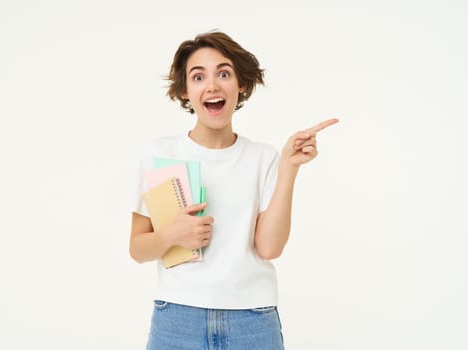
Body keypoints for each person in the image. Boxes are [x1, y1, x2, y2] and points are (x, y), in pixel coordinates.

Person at [130, 30, 338, 350]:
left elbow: (269, 248)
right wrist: (172, 235)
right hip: (177, 318)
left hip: (252, 320)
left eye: (223, 73)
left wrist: (289, 167)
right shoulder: (161, 154)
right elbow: (137, 248)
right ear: (185, 91)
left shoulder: (265, 157)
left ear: (240, 85)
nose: (212, 85)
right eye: (198, 77)